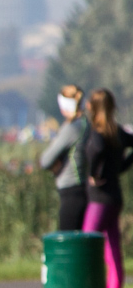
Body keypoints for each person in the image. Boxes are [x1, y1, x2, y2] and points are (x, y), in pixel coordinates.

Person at [81, 88, 132, 288]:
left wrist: (94, 173)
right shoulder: (118, 132)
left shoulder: (97, 132)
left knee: (87, 244)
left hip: (99, 199)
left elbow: (97, 149)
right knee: (113, 250)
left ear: (92, 107)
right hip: (115, 197)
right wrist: (121, 166)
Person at [40, 85, 88, 231]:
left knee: (68, 242)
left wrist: (55, 164)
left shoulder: (71, 128)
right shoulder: (86, 124)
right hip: (85, 187)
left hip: (71, 189)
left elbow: (45, 160)